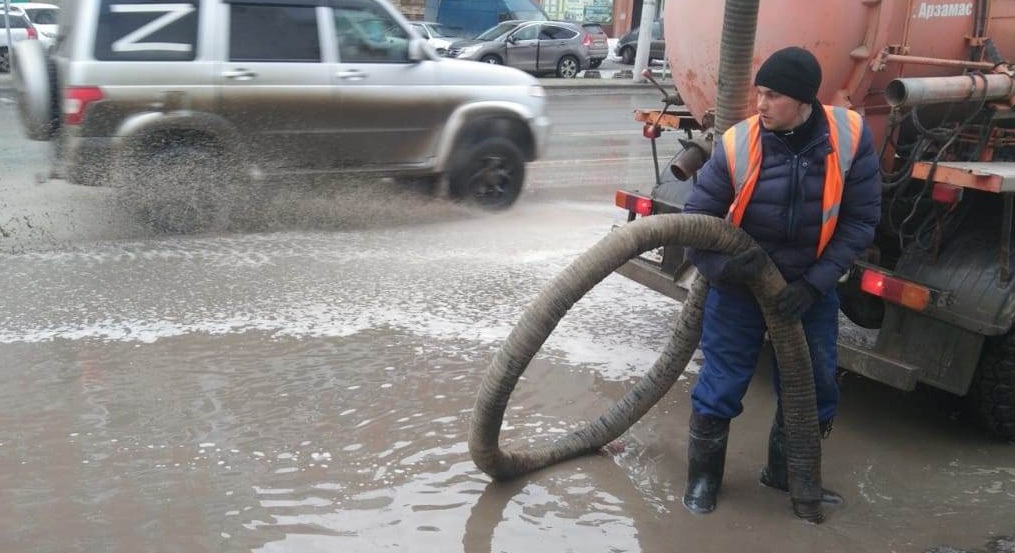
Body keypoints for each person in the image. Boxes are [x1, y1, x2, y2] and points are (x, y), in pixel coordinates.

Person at [679, 46, 882, 515]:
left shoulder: (849, 137)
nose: (761, 105)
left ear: (804, 100)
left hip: (808, 289)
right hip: (740, 285)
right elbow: (694, 224)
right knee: (722, 381)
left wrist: (814, 285)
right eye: (759, 93)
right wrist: (728, 270)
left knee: (814, 385)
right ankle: (703, 482)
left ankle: (785, 474)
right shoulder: (738, 143)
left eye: (773, 95)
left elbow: (860, 222)